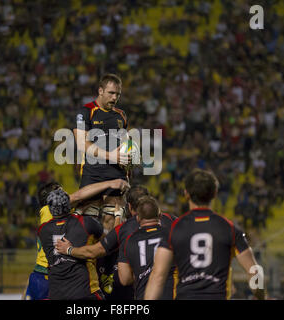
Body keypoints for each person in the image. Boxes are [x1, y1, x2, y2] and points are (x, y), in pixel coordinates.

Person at [144, 169, 266, 300]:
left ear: (186, 194)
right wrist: (260, 296)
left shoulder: (175, 229)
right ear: (215, 193)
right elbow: (254, 270)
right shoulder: (229, 228)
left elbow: (158, 275)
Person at [55, 185, 177, 300]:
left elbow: (94, 251)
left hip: (141, 292)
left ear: (129, 207)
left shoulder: (125, 231)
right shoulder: (171, 221)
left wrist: (69, 249)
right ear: (157, 210)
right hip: (175, 291)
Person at [23, 178, 129, 300]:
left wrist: (79, 211)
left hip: (47, 275)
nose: (67, 194)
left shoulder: (43, 229)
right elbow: (78, 197)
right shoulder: (82, 223)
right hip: (72, 282)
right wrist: (110, 184)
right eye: (62, 192)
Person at [73, 73, 130, 218]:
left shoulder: (121, 115)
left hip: (117, 174)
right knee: (87, 221)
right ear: (100, 91)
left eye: (118, 94)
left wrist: (130, 159)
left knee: (114, 220)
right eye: (111, 93)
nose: (114, 98)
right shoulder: (86, 112)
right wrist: (110, 155)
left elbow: (125, 144)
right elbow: (81, 143)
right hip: (93, 174)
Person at [37, 188, 105, 300]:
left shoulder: (42, 230)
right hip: (84, 290)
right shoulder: (85, 222)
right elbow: (103, 239)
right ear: (68, 205)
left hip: (57, 293)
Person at [118, 195, 176, 300]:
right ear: (160, 215)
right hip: (171, 295)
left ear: (138, 218)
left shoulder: (128, 241)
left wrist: (140, 272)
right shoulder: (173, 235)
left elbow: (125, 279)